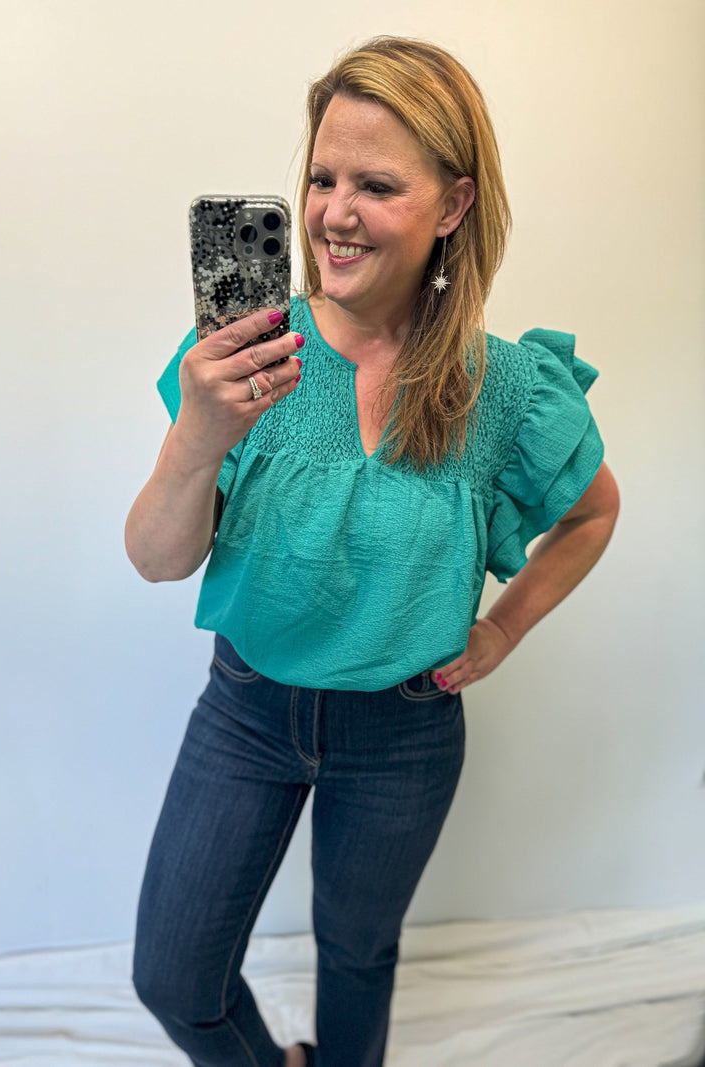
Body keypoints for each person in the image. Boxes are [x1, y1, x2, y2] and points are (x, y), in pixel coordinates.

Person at [125, 35, 620, 1067]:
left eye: (376, 185)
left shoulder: (501, 388)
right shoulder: (242, 358)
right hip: (247, 711)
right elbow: (157, 558)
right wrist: (199, 436)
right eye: (321, 178)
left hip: (404, 731)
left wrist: (501, 630)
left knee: (358, 955)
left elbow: (590, 514)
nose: (332, 214)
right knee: (173, 976)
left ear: (451, 205)